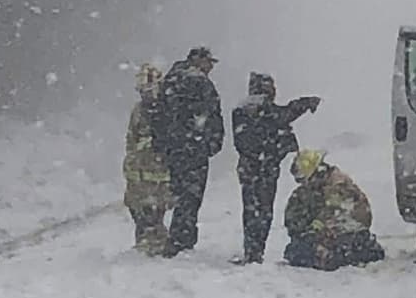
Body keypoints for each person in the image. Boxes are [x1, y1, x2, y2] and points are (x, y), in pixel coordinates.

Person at [232, 72, 320, 263]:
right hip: (265, 168)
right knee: (263, 211)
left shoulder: (241, 110)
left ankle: (251, 250)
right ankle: (256, 252)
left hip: (249, 168)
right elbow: (283, 115)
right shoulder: (264, 109)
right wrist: (304, 103)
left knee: (251, 209)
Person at [153, 46, 224, 256]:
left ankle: (166, 236)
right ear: (198, 60)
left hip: (174, 149)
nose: (211, 66)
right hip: (194, 149)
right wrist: (211, 142)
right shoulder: (200, 82)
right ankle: (181, 240)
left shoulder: (170, 79)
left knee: (177, 193)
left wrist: (163, 144)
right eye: (209, 61)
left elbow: (159, 115)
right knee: (191, 196)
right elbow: (211, 114)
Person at [283, 149, 385, 270]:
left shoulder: (337, 186)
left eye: (303, 179)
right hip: (337, 235)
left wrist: (316, 231)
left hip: (347, 234)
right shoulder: (311, 189)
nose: (302, 183)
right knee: (297, 250)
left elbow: (335, 214)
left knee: (300, 252)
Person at [122, 64, 172, 255]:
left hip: (159, 170)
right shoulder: (138, 110)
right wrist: (131, 160)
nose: (146, 94)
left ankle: (157, 240)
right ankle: (144, 239)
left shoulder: (166, 109)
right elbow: (131, 137)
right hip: (138, 171)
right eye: (143, 90)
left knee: (156, 208)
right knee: (136, 206)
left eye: (149, 89)